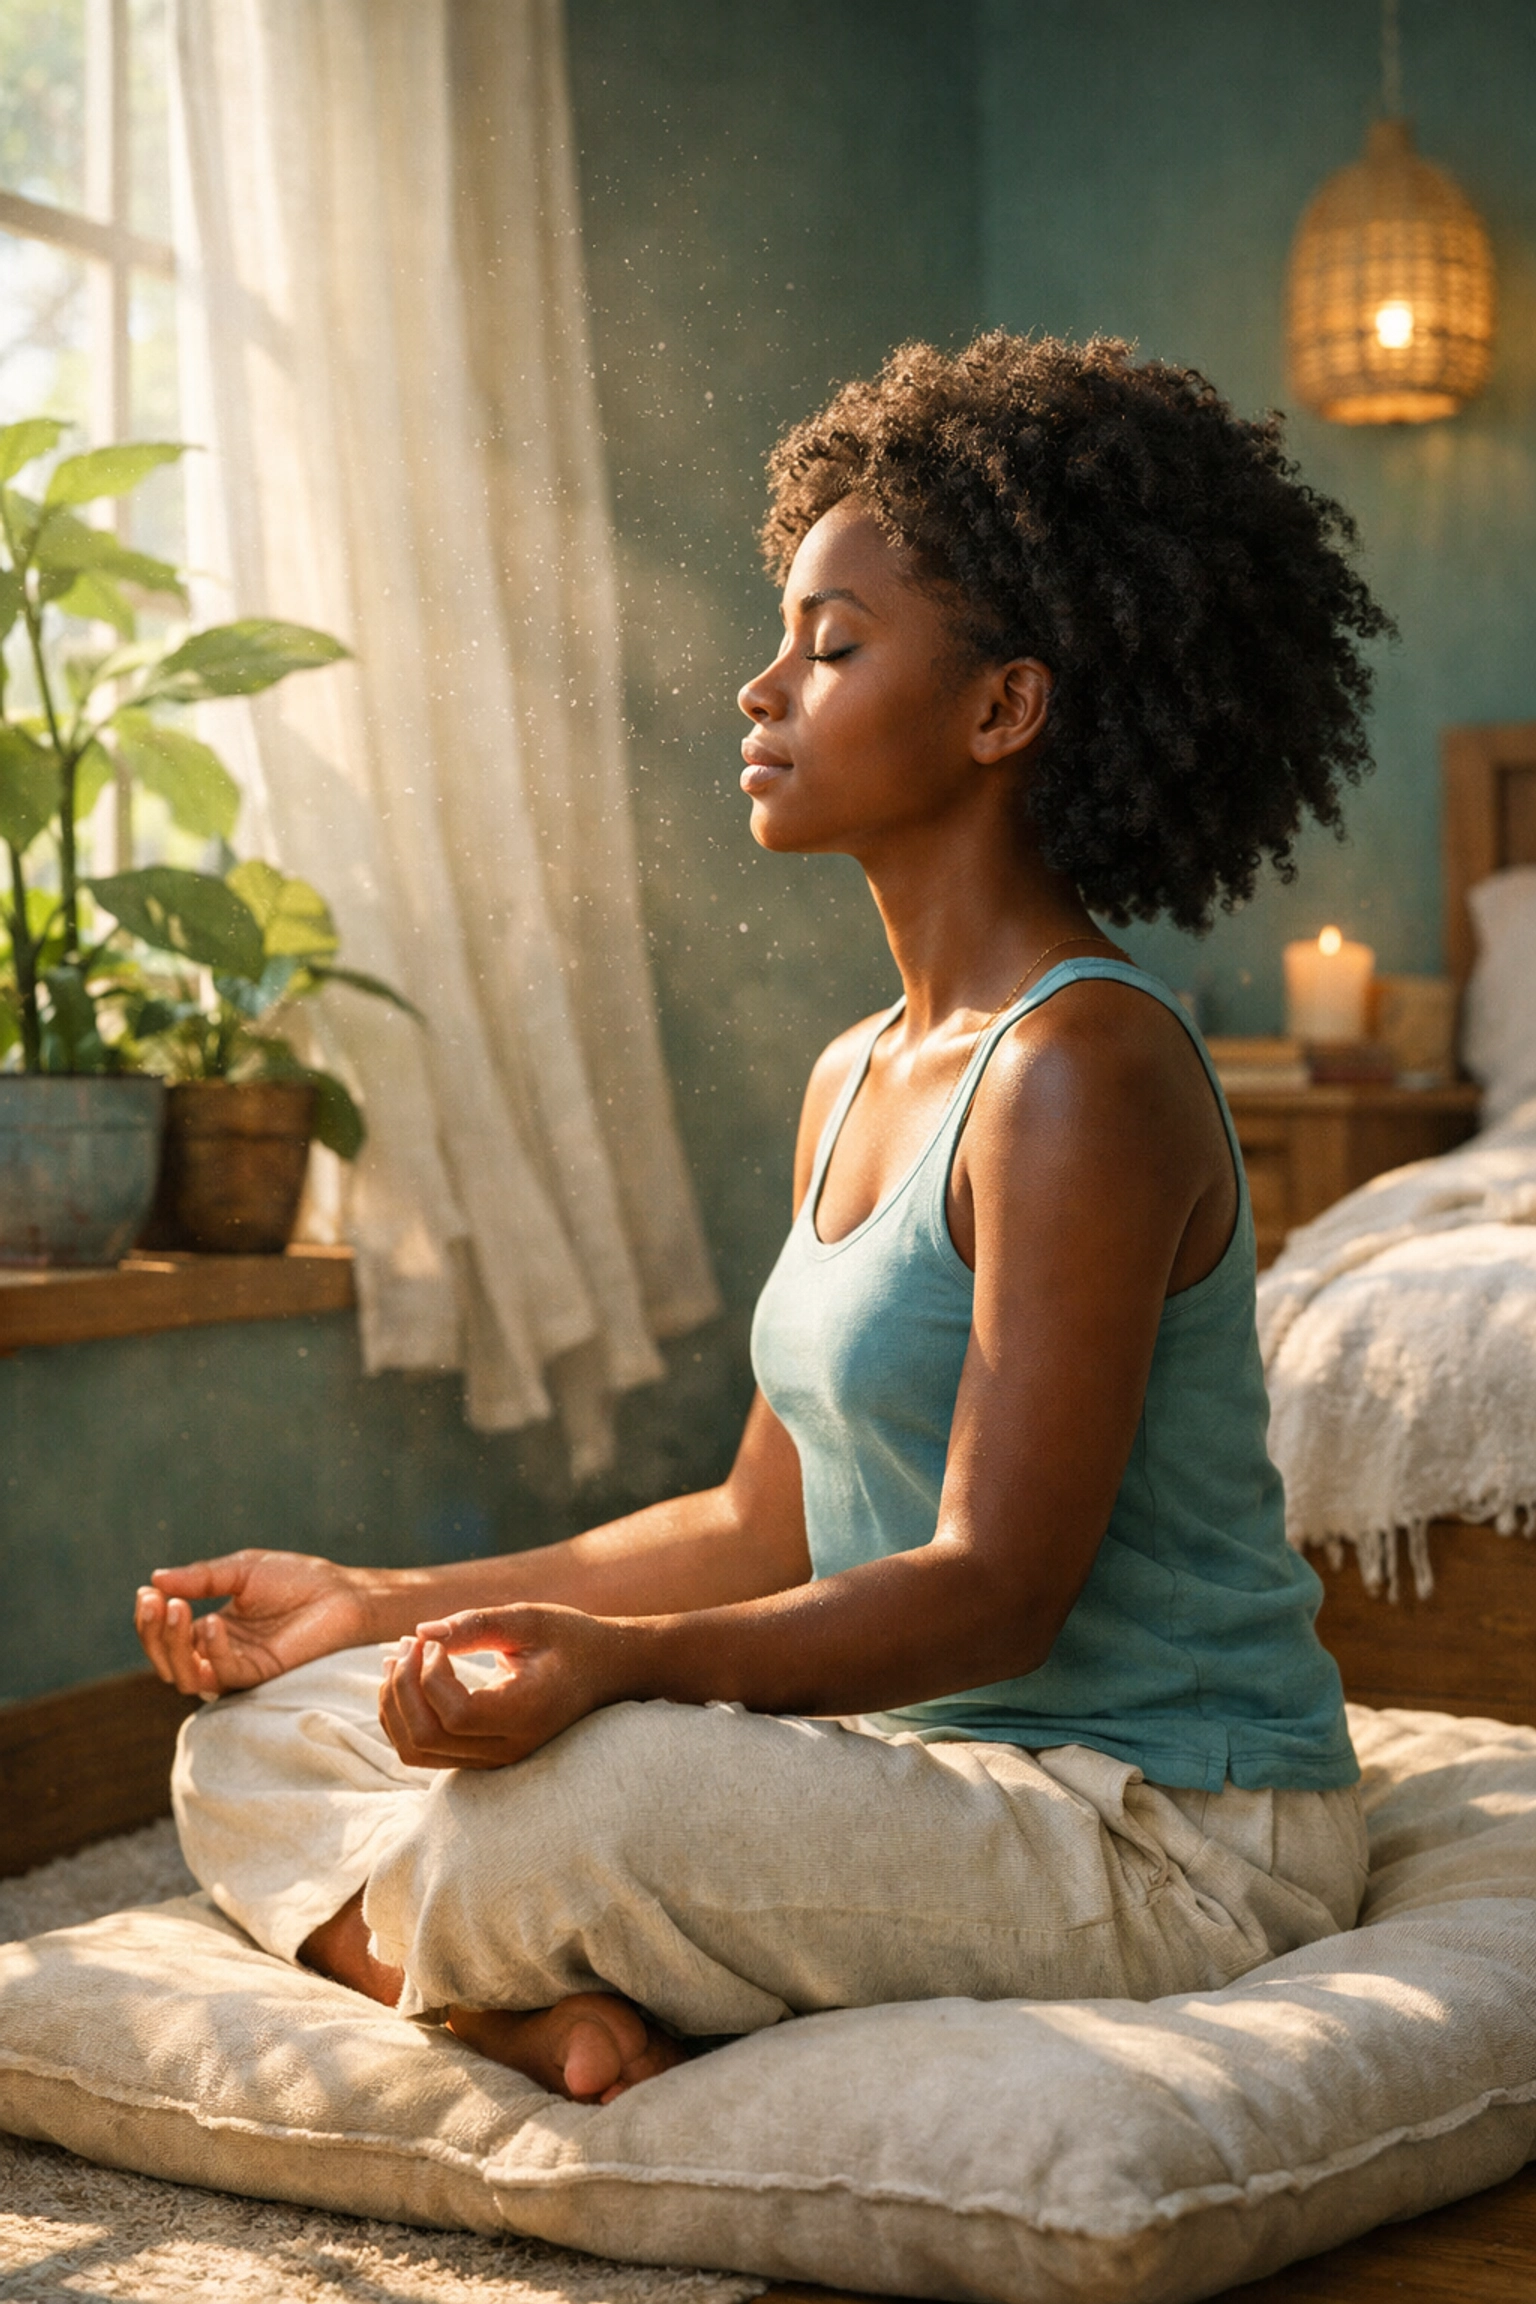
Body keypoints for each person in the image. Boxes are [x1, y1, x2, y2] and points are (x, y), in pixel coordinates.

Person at [136, 333, 1386, 2110]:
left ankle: (473, 1967)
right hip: (912, 1774)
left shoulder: (1083, 1070)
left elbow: (998, 1596)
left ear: (1003, 710)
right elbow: (751, 1521)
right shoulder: (854, 1071)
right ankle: (507, 1993)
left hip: (1153, 1830)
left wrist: (615, 1678)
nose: (761, 685)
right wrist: (370, 1603)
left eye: (833, 644)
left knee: (579, 1800)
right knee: (255, 1742)